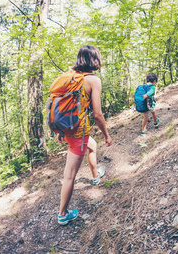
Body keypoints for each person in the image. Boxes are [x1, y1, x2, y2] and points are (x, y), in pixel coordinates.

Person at [57, 45, 112, 226]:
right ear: (95, 60)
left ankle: (96, 175)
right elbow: (97, 114)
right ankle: (63, 213)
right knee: (69, 175)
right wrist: (106, 135)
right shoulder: (93, 80)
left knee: (93, 146)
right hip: (78, 132)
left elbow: (59, 106)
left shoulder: (71, 77)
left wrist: (59, 131)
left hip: (67, 128)